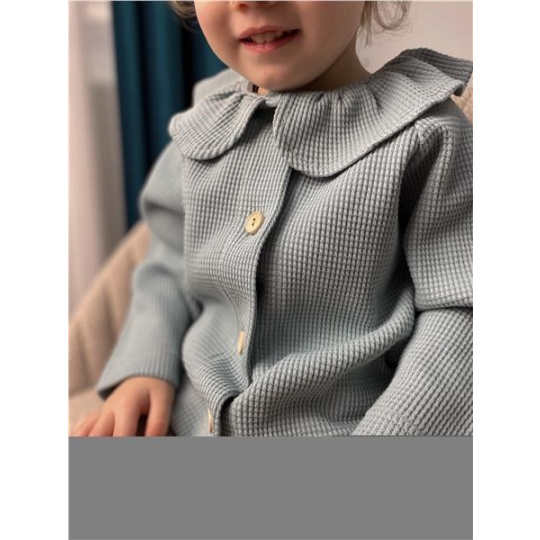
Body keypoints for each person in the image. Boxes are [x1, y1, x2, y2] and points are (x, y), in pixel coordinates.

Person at [72, 1, 473, 437]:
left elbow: (461, 316)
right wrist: (145, 366)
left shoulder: (427, 137)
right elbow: (167, 263)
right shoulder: (204, 124)